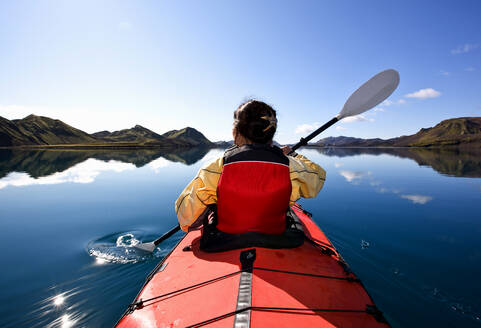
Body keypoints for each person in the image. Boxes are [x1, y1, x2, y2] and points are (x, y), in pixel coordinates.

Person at [175, 100, 326, 251]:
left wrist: (211, 206)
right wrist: (293, 155)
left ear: (236, 131)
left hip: (225, 240)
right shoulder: (291, 166)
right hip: (277, 238)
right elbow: (318, 177)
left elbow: (185, 217)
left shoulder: (215, 168)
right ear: (271, 132)